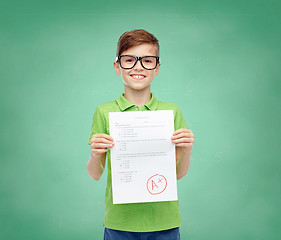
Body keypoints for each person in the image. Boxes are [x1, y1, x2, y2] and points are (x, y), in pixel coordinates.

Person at [86, 29, 195, 240]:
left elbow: (178, 174)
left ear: (157, 67)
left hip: (165, 222)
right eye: (129, 60)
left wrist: (188, 150)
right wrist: (94, 153)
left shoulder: (171, 112)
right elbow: (95, 174)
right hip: (120, 222)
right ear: (117, 66)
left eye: (147, 60)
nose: (138, 67)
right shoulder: (104, 112)